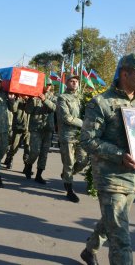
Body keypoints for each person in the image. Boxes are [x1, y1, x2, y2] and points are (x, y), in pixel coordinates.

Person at [79, 53, 135, 265]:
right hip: (111, 178)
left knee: (113, 221)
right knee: (121, 237)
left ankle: (89, 250)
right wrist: (120, 155)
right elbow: (88, 140)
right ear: (124, 74)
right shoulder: (101, 103)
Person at [56, 74, 86, 203]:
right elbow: (66, 118)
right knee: (68, 163)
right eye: (72, 81)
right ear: (67, 83)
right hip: (67, 135)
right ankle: (69, 190)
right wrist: (85, 123)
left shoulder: (82, 98)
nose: (74, 83)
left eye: (76, 81)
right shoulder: (62, 98)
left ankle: (66, 176)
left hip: (80, 135)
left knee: (83, 161)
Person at [24, 78, 56, 184]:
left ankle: (39, 175)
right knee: (35, 151)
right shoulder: (35, 96)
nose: (48, 86)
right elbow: (28, 111)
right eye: (46, 84)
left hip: (48, 128)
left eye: (50, 85)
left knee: (44, 153)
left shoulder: (54, 97)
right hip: (36, 128)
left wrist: (44, 100)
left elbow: (54, 108)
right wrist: (29, 100)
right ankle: (28, 165)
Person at [3, 96, 30, 169]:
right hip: (18, 127)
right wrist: (18, 100)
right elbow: (13, 109)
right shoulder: (18, 99)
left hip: (29, 128)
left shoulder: (31, 100)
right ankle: (10, 158)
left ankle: (26, 165)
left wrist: (29, 100)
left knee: (28, 147)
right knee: (14, 146)